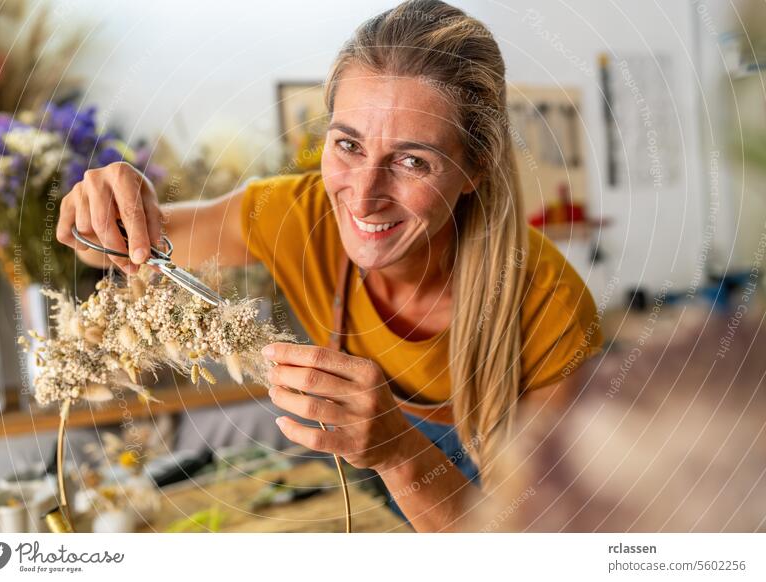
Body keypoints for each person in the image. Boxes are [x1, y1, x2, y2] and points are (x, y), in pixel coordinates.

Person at [56, 0, 602, 531]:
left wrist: (397, 452)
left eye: (413, 161)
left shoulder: (550, 307)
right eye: (348, 145)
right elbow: (103, 246)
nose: (363, 199)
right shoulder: (297, 215)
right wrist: (105, 206)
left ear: (474, 167)